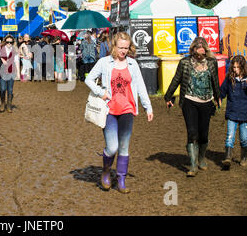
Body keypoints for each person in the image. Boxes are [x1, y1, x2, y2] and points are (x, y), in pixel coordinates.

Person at [85, 32, 153, 194]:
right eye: (120, 47)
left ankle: (121, 180)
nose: (123, 51)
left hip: (127, 110)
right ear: (114, 46)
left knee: (124, 147)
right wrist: (100, 92)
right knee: (112, 147)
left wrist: (148, 107)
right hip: (109, 110)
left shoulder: (132, 64)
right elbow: (88, 79)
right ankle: (106, 170)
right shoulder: (104, 62)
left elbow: (141, 87)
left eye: (126, 48)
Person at [164, 37, 221, 177]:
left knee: (203, 134)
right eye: (197, 53)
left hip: (207, 101)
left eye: (202, 53)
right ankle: (193, 165)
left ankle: (201, 158)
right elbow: (176, 79)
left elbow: (215, 80)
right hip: (189, 100)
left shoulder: (212, 62)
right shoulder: (185, 62)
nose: (199, 56)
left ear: (206, 51)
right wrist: (168, 96)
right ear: (193, 50)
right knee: (192, 132)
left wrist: (218, 97)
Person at [220, 55, 247, 168]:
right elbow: (222, 91)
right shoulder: (229, 80)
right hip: (232, 113)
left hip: (245, 114)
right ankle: (227, 158)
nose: (235, 70)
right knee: (229, 136)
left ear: (242, 67)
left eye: (237, 67)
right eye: (234, 67)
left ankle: (244, 158)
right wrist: (219, 99)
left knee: (244, 138)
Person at [0, 35, 18, 113]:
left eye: (11, 42)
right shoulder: (0, 49)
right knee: (3, 89)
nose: (9, 43)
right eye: (7, 42)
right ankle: (3, 102)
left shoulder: (14, 50)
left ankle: (9, 104)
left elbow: (16, 62)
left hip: (11, 71)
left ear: (13, 42)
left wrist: (18, 73)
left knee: (10, 90)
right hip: (2, 72)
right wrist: (1, 59)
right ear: (5, 42)